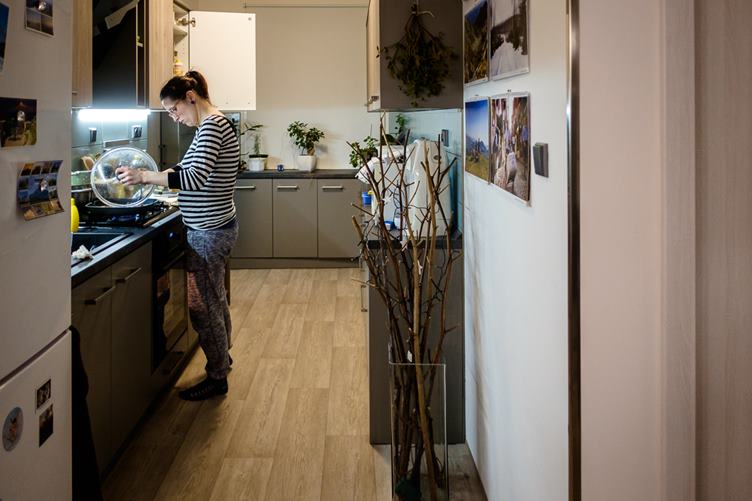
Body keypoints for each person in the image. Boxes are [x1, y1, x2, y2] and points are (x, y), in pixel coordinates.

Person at [116, 70, 240, 401]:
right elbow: (185, 169)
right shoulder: (210, 125)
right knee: (214, 298)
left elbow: (194, 178)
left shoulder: (211, 127)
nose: (174, 117)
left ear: (190, 97)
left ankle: (217, 377)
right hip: (214, 227)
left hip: (209, 232)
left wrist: (145, 177)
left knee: (202, 306)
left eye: (174, 110)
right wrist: (152, 175)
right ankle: (222, 358)